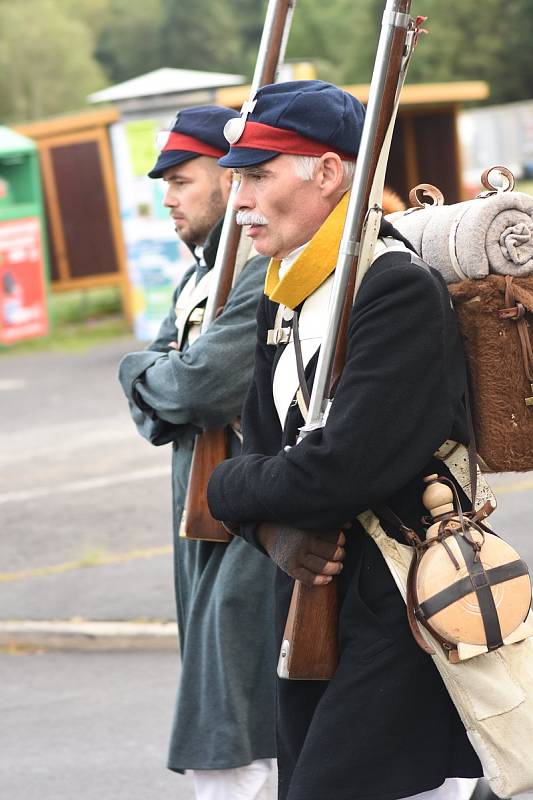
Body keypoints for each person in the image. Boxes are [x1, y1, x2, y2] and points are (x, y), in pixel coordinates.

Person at [207, 81, 484, 800]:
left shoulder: (391, 289)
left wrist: (228, 492)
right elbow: (263, 452)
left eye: (257, 175)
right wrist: (269, 529)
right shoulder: (288, 294)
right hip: (314, 605)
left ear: (329, 173)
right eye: (236, 177)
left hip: (400, 610)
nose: (237, 200)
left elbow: (335, 470)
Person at [118, 106, 277, 800]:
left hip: (249, 517)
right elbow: (158, 385)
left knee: (234, 725)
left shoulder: (253, 270)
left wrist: (154, 379)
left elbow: (204, 384)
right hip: (207, 521)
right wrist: (152, 378)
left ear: (228, 175)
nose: (169, 197)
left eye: (183, 179)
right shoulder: (199, 278)